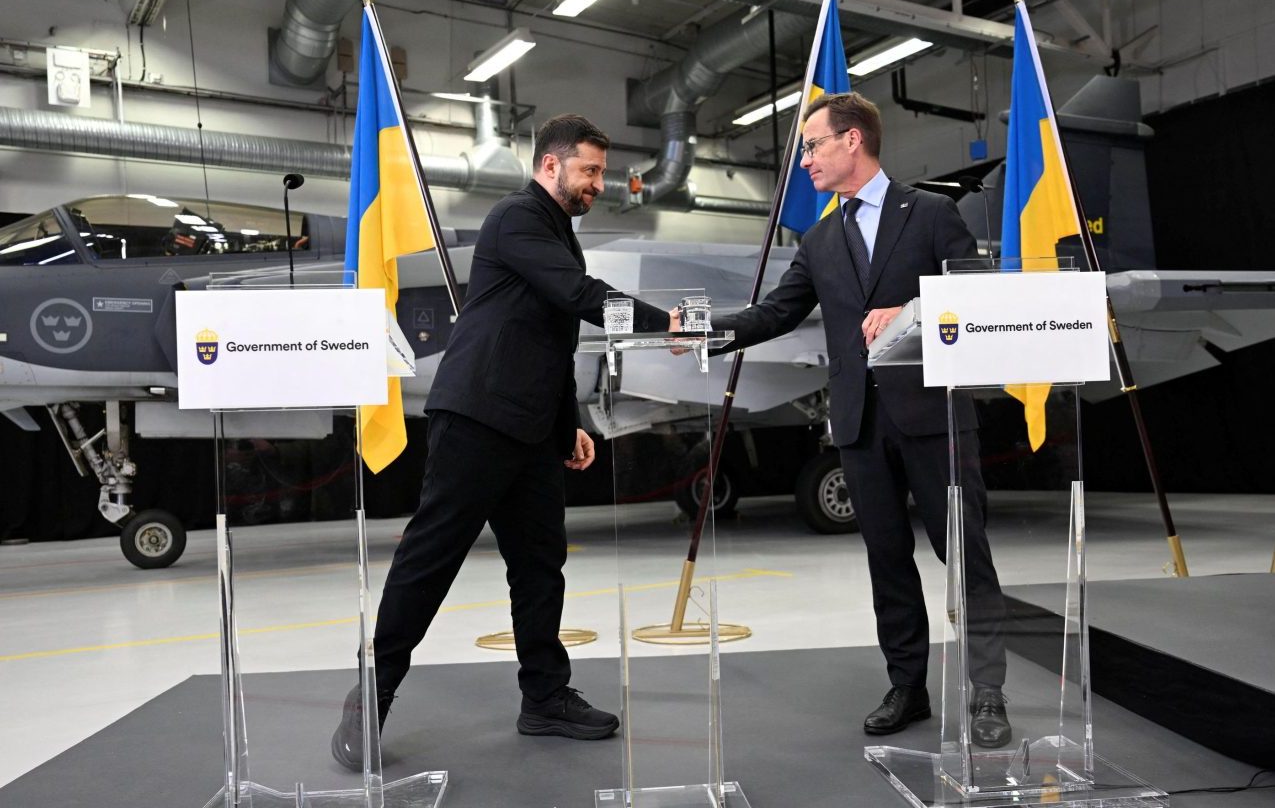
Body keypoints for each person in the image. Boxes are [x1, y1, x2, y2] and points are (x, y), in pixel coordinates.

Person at [332, 113, 679, 769]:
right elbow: (578, 295)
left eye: (600, 172)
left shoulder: (555, 232)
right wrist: (669, 325)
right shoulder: (516, 217)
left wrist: (567, 424)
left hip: (532, 430)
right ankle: (370, 695)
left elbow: (548, 338)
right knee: (431, 559)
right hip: (478, 419)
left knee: (540, 564)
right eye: (589, 170)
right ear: (550, 165)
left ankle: (544, 698)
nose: (598, 183)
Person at [711, 92, 1011, 747]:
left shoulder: (929, 213)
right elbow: (776, 312)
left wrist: (913, 311)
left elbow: (978, 294)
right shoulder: (820, 237)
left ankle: (987, 691)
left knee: (966, 557)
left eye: (812, 145)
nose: (805, 161)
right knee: (886, 560)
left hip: (934, 415)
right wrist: (701, 331)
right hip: (860, 424)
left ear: (852, 140)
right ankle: (907, 687)